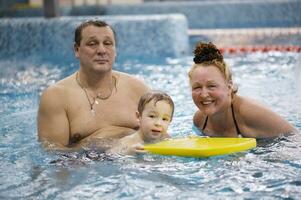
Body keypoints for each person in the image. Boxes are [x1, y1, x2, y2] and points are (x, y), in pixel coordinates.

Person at [38, 19, 150, 149]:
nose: (101, 50)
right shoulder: (56, 97)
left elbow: (161, 136)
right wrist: (100, 143)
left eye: (108, 43)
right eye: (92, 44)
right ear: (76, 49)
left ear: (115, 50)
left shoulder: (139, 89)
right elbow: (53, 155)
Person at [188, 42, 297, 138]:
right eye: (197, 87)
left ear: (229, 85)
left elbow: (295, 139)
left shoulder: (252, 114)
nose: (203, 94)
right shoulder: (199, 120)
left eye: (211, 86)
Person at [108, 91, 174, 155]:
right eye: (152, 116)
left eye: (164, 119)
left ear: (170, 121)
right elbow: (110, 154)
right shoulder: (128, 142)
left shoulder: (165, 138)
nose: (158, 123)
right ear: (139, 117)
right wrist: (128, 153)